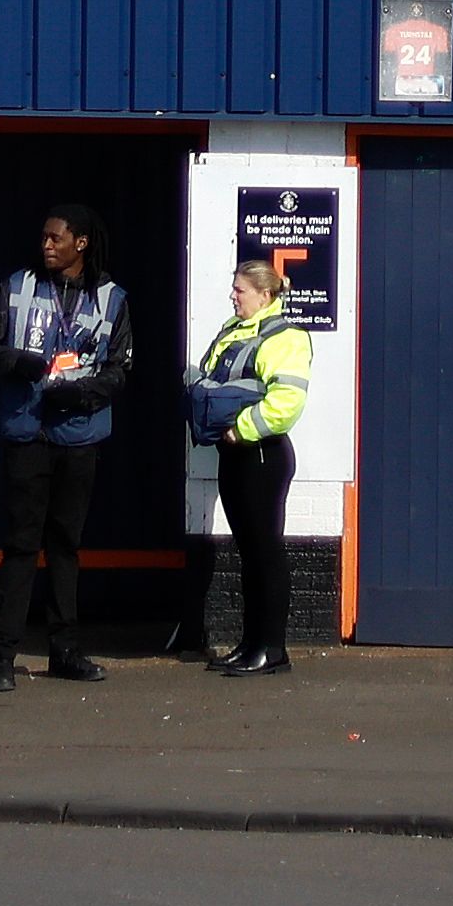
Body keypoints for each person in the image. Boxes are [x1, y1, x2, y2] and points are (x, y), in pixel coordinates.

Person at [0, 204, 131, 694]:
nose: (46, 246)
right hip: (27, 435)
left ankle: (65, 652)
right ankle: (1, 658)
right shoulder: (16, 288)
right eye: (43, 238)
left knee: (65, 548)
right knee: (20, 547)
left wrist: (83, 394)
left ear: (81, 243)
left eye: (55, 238)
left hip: (79, 436)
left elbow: (120, 368)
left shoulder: (112, 298)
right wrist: (16, 361)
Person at [184, 246, 316, 678]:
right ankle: (250, 644)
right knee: (248, 553)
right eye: (233, 289)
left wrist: (241, 429)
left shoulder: (286, 337)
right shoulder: (233, 330)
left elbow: (287, 402)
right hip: (234, 454)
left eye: (240, 290)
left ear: (264, 294)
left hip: (261, 454)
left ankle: (272, 649)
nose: (233, 296)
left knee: (265, 552)